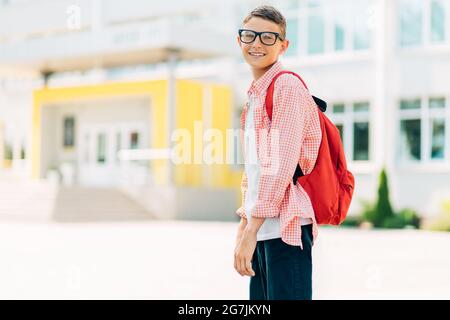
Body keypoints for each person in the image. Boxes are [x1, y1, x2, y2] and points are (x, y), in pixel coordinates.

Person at [233, 5, 322, 300]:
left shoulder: (286, 86)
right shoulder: (254, 96)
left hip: (286, 229)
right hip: (262, 231)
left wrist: (250, 230)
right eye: (250, 35)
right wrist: (246, 225)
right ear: (239, 40)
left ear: (283, 46)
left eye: (268, 38)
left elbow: (280, 167)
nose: (257, 43)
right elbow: (254, 172)